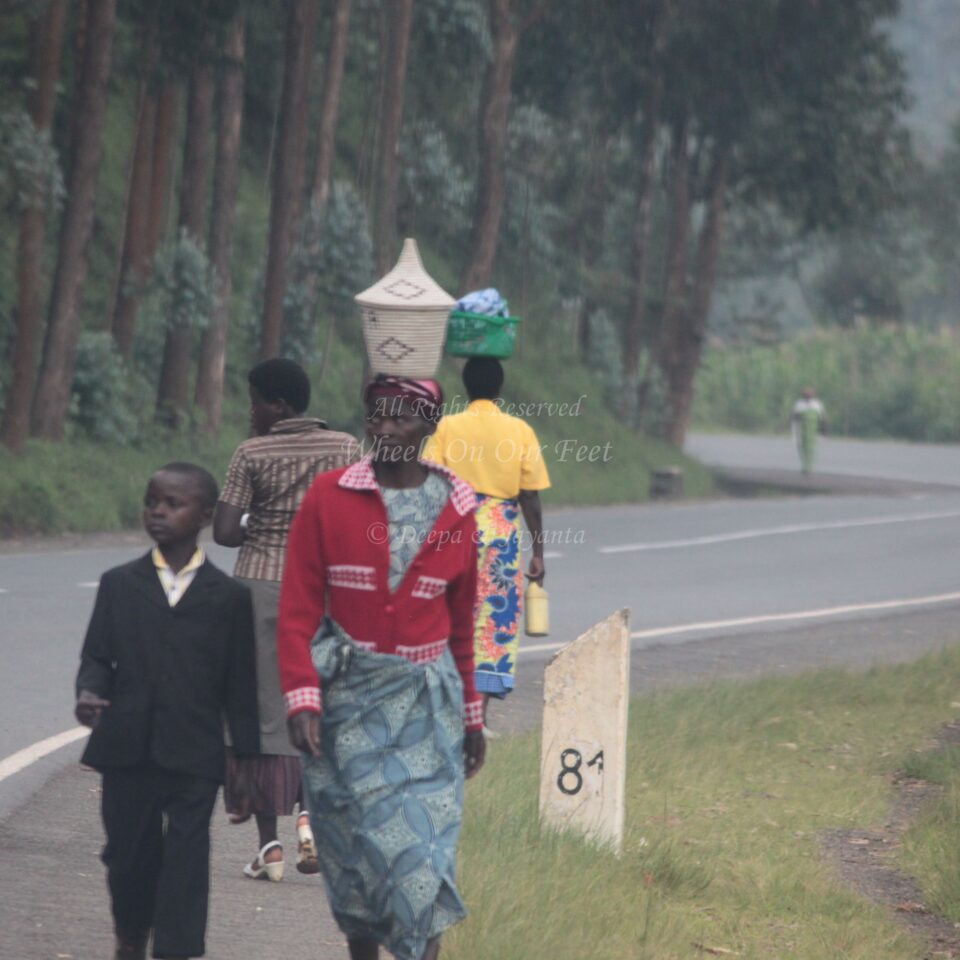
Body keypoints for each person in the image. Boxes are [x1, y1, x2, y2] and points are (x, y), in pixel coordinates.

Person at [277, 374, 485, 960]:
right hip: (345, 707)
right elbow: (297, 607)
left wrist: (473, 718)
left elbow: (463, 626)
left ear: (431, 427)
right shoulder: (329, 496)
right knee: (353, 856)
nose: (387, 427)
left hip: (428, 709)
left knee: (421, 864)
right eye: (378, 416)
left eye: (402, 417)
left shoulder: (458, 505)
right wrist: (302, 698)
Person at [75, 463, 259, 960]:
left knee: (186, 860)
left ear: (203, 514)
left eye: (173, 503)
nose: (158, 511)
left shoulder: (229, 598)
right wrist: (89, 695)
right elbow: (97, 658)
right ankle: (130, 936)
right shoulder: (119, 584)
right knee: (127, 858)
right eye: (152, 501)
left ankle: (175, 950)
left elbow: (241, 688)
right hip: (126, 747)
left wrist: (245, 762)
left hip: (194, 754)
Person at [214, 357, 361, 881]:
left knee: (259, 712)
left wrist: (261, 518)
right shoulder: (345, 447)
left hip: (258, 588)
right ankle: (307, 814)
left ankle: (269, 846)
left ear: (278, 405)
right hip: (325, 588)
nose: (250, 410)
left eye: (255, 400)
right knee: (314, 700)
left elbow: (226, 532)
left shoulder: (251, 452)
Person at [423, 357, 550, 731]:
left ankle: (446, 709)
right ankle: (476, 718)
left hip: (455, 525)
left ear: (465, 387)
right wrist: (539, 552)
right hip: (500, 533)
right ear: (500, 388)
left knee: (449, 613)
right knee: (493, 623)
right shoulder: (520, 430)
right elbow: (529, 496)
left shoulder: (447, 426)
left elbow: (430, 483)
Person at [791, 386, 827, 474]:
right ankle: (805, 466)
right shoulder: (799, 404)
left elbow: (823, 418)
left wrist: (824, 430)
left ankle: (808, 468)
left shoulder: (817, 405)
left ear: (813, 395)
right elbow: (794, 417)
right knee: (801, 448)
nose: (808, 396)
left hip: (812, 431)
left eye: (810, 395)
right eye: (806, 395)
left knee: (810, 449)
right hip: (801, 430)